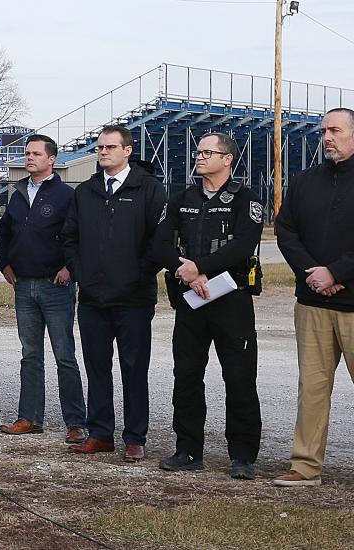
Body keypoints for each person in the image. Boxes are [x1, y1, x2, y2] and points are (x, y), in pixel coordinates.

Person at [153, 132, 263, 480]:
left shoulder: (244, 199)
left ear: (227, 159)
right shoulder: (181, 198)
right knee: (186, 376)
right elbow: (159, 243)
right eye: (198, 152)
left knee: (239, 377)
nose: (198, 157)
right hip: (191, 301)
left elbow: (244, 245)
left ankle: (242, 455)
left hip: (231, 301)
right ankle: (188, 449)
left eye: (207, 152)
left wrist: (200, 268)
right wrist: (184, 270)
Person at [61, 125, 166, 462]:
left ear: (128, 151)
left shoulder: (148, 189)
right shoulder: (86, 192)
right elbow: (69, 238)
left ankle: (135, 436)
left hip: (133, 298)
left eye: (110, 147)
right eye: (100, 147)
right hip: (92, 299)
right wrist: (82, 276)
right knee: (96, 368)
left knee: (134, 369)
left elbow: (159, 242)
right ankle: (101, 433)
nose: (103, 152)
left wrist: (137, 276)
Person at [273, 107, 354, 487]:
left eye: (335, 131)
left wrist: (336, 272)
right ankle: (305, 466)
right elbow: (285, 231)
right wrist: (313, 273)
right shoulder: (305, 181)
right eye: (324, 132)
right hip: (313, 303)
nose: (326, 138)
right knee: (313, 388)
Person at [0, 135, 87, 444]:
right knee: (30, 355)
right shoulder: (18, 193)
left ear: (52, 159)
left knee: (64, 355)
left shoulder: (66, 195)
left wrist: (68, 269)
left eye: (36, 153)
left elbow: (78, 236)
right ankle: (29, 418)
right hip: (24, 286)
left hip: (55, 286)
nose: (29, 157)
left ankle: (76, 422)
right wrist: (4, 263)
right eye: (27, 153)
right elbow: (4, 233)